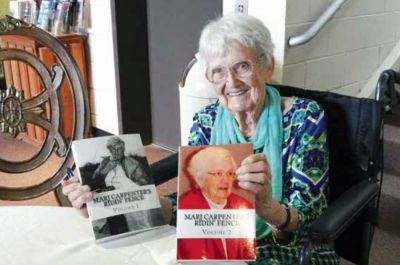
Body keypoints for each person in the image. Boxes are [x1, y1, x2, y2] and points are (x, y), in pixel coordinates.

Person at [63, 14, 339, 264]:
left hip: (282, 250)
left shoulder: (305, 118)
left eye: (242, 66)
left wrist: (267, 206)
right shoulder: (205, 122)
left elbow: (312, 225)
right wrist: (112, 206)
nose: (231, 82)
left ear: (267, 67)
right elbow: (194, 207)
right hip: (216, 246)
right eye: (218, 71)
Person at [178, 146, 255, 260]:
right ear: (200, 178)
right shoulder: (187, 207)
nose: (225, 180)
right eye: (218, 173)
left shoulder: (244, 206)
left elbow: (248, 253)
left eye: (230, 173)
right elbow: (194, 257)